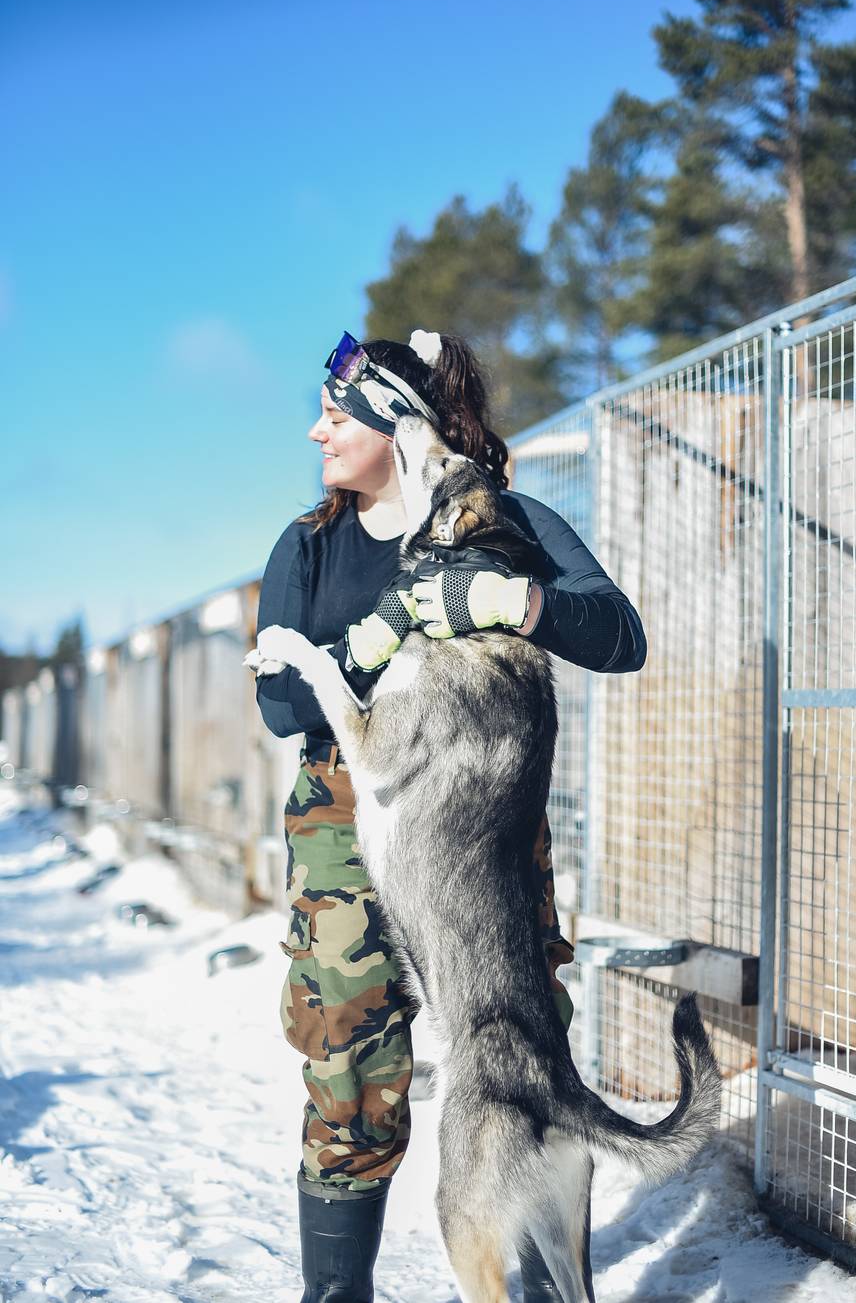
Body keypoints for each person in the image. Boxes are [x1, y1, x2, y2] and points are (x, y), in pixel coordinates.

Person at [252, 329, 647, 1303]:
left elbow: (617, 632)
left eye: (337, 415)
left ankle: (555, 1285)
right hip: (347, 827)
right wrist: (387, 629)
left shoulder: (501, 519)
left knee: (527, 1070)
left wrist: (514, 602)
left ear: (401, 425)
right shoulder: (309, 546)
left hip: (485, 838)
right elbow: (280, 707)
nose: (316, 432)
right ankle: (334, 1292)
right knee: (349, 1076)